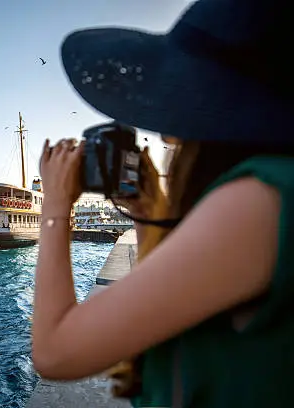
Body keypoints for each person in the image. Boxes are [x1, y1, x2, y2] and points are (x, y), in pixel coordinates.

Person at [31, 0, 294, 407]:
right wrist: (148, 213)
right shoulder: (270, 189)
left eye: (175, 131)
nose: (171, 139)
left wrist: (54, 208)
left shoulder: (260, 198)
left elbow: (54, 353)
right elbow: (176, 290)